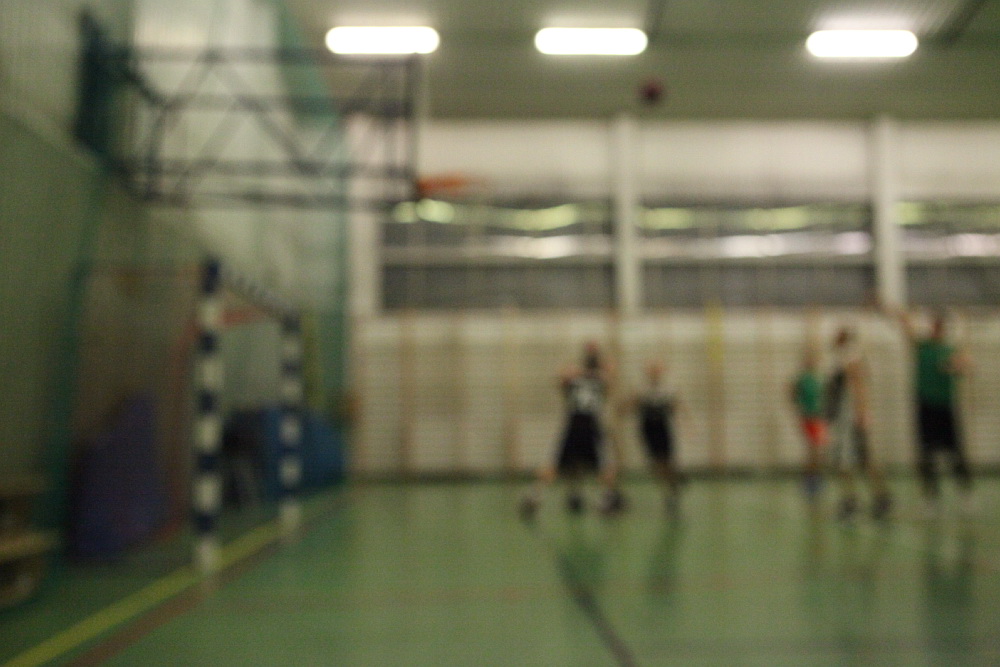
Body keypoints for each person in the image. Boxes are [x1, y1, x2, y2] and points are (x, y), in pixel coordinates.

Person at [519, 341, 626, 519]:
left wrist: (581, 371)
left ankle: (535, 494)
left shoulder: (587, 376)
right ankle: (536, 495)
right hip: (583, 424)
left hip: (582, 424)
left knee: (598, 465)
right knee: (595, 464)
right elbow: (563, 379)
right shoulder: (591, 377)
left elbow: (564, 379)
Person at [892, 309, 973, 515]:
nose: (936, 329)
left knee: (956, 452)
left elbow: (963, 367)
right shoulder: (923, 347)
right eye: (934, 326)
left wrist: (957, 365)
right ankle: (931, 498)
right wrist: (900, 314)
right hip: (925, 405)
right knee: (926, 453)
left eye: (939, 326)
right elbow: (908, 330)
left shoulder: (949, 350)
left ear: (944, 329)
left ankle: (965, 494)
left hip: (945, 406)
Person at [826, 326, 892, 519]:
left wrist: (861, 413)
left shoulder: (851, 356)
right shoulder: (842, 358)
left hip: (851, 418)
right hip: (844, 418)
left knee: (855, 460)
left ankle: (862, 499)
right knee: (856, 460)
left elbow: (858, 385)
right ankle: (872, 497)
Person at [620, 360, 685, 513]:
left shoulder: (667, 389)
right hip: (648, 428)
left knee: (667, 459)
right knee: (655, 462)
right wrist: (623, 410)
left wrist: (687, 424)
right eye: (651, 370)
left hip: (662, 427)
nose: (654, 373)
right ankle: (667, 488)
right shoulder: (641, 389)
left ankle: (672, 484)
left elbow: (677, 406)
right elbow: (632, 404)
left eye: (656, 370)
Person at [790, 344, 827, 503]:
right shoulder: (803, 378)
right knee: (813, 449)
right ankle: (810, 480)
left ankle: (813, 478)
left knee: (816, 449)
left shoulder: (817, 377)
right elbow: (791, 392)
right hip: (809, 417)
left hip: (818, 416)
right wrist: (799, 408)